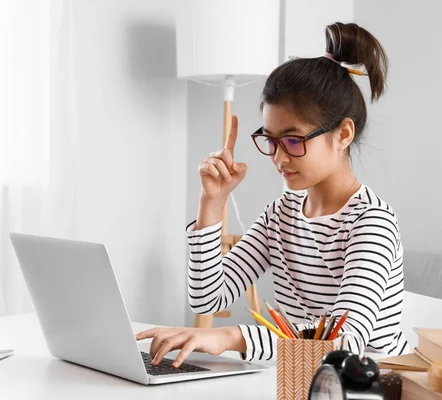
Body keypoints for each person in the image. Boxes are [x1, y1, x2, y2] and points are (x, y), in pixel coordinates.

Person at [136, 21, 408, 368]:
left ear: (343, 134)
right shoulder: (282, 213)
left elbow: (345, 341)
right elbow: (207, 299)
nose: (279, 157)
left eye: (293, 140)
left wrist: (229, 337)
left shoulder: (372, 223)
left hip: (369, 384)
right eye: (270, 140)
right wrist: (212, 203)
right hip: (298, 379)